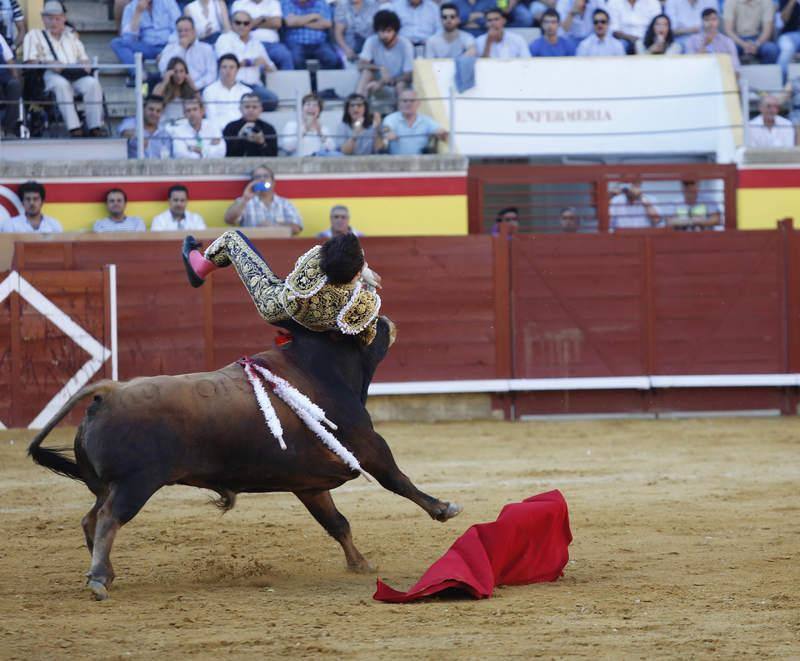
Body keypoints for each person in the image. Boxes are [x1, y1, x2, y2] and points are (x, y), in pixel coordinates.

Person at [181, 230, 382, 344]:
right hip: (317, 331)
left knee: (231, 239)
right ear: (355, 273)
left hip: (277, 307)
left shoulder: (314, 264)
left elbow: (311, 270)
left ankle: (199, 269)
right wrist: (360, 279)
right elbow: (366, 337)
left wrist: (360, 270)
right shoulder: (364, 301)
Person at [22, 1, 106, 137]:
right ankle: (74, 128)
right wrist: (48, 63)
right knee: (61, 84)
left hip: (73, 74)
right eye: (49, 18)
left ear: (63, 19)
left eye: (57, 18)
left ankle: (95, 126)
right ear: (43, 19)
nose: (53, 22)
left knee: (93, 83)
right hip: (49, 75)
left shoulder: (71, 36)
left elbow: (83, 58)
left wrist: (85, 63)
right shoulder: (34, 35)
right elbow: (29, 62)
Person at [214, 10, 278, 111]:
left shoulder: (257, 43)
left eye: (246, 23)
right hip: (233, 85)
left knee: (272, 100)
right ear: (232, 23)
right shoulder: (224, 39)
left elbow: (272, 68)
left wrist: (265, 65)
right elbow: (226, 64)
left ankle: (249, 109)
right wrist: (251, 62)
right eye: (238, 22)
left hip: (254, 87)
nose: (242, 26)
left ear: (251, 25)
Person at [111, 0, 180, 84]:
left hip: (167, 45)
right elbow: (128, 39)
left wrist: (167, 51)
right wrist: (138, 12)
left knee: (182, 40)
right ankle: (139, 74)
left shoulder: (168, 2)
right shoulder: (131, 8)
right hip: (146, 47)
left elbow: (178, 29)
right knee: (117, 43)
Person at [223, 165, 304, 234]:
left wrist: (274, 227)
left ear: (273, 182)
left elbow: (297, 228)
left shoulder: (285, 203)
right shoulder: (244, 202)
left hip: (280, 247)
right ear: (252, 182)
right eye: (257, 177)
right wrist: (245, 199)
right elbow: (229, 220)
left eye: (266, 176)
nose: (262, 179)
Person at [356, 10, 414, 96]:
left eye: (389, 31)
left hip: (398, 80)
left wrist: (384, 81)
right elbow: (360, 64)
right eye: (382, 31)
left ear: (395, 31)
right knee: (366, 73)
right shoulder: (371, 41)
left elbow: (408, 75)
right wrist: (380, 68)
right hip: (378, 78)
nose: (385, 35)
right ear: (377, 31)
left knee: (400, 85)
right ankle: (358, 101)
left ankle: (401, 109)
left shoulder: (405, 44)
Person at [230, 0, 294, 70]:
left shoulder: (273, 2)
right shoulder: (239, 3)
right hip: (248, 44)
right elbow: (236, 25)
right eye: (247, 23)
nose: (244, 24)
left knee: (285, 56)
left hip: (272, 45)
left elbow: (277, 23)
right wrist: (261, 19)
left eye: (246, 23)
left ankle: (287, 81)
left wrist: (250, 23)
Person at [382, 88, 448, 155]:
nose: (408, 103)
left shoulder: (426, 120)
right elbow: (387, 130)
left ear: (418, 103)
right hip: (396, 163)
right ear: (398, 103)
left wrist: (442, 133)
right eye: (405, 101)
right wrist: (389, 133)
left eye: (412, 101)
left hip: (420, 163)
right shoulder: (390, 119)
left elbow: (441, 133)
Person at [158, 16, 218, 90]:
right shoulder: (170, 48)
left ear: (194, 31)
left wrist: (194, 86)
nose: (183, 34)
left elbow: (211, 75)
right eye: (180, 31)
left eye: (186, 30)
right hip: (176, 88)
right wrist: (181, 48)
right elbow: (163, 70)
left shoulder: (206, 49)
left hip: (200, 88)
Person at [281, 0, 342, 69]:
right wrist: (314, 16)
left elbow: (327, 24)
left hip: (319, 43)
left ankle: (322, 80)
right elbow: (290, 22)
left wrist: (299, 22)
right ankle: (302, 80)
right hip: (295, 42)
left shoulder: (321, 2)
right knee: (295, 59)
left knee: (332, 59)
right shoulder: (286, 2)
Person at [203, 54, 255, 130]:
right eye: (224, 67)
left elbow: (249, 117)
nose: (228, 71)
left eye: (232, 67)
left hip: (242, 132)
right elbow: (211, 118)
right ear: (219, 69)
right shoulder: (209, 91)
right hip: (219, 132)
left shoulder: (247, 91)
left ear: (237, 70)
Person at [685, 8, 740, 73]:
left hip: (723, 75)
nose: (711, 23)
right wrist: (704, 45)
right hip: (700, 75)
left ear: (718, 21)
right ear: (702, 22)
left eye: (714, 19)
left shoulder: (727, 41)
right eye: (707, 20)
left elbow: (736, 67)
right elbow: (690, 66)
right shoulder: (692, 41)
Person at [223, 91, 278, 156]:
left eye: (254, 107)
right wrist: (240, 138)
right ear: (240, 109)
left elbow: (273, 157)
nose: (250, 110)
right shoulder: (230, 127)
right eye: (247, 107)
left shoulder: (268, 128)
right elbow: (226, 154)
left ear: (261, 109)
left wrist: (262, 143)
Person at [117, 94, 172, 158]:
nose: (154, 113)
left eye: (158, 111)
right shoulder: (131, 123)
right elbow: (123, 132)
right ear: (143, 108)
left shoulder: (165, 133)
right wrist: (138, 136)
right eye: (151, 109)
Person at [723, 0, 778, 64]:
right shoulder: (730, 1)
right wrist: (744, 45)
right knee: (725, 50)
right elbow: (728, 30)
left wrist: (756, 44)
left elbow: (767, 30)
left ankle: (766, 73)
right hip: (737, 40)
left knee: (772, 50)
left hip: (758, 39)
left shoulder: (766, 2)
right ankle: (734, 73)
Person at [152, 56, 199, 124]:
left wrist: (192, 84)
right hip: (166, 124)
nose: (178, 75)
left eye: (181, 71)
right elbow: (153, 102)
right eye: (175, 71)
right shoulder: (161, 86)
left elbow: (201, 107)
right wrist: (165, 82)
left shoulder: (190, 88)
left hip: (185, 125)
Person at [0, 32, 22, 138]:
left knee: (15, 85)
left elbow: (9, 60)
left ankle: (9, 128)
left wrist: (15, 76)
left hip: (2, 74)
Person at [777, 0, 800, 83]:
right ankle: (781, 83)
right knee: (787, 50)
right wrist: (792, 2)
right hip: (789, 35)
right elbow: (783, 19)